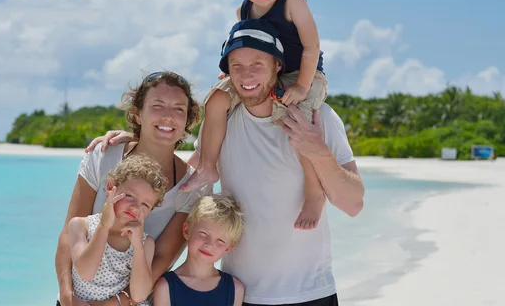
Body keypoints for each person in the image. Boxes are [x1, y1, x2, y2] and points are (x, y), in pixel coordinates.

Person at [92, 20, 365, 305]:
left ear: (278, 66)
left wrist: (318, 150)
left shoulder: (318, 118)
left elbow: (353, 204)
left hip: (311, 292)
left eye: (258, 63)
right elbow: (184, 171)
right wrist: (135, 139)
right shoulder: (222, 121)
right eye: (237, 65)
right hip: (240, 294)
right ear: (227, 71)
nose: (246, 74)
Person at [180, 0, 328, 231]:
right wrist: (231, 73)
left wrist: (300, 86)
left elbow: (312, 46)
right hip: (264, 72)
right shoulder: (243, 11)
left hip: (303, 73)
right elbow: (246, 45)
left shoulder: (293, 1)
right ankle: (207, 164)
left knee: (297, 122)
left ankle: (314, 193)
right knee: (217, 97)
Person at [55, 71, 208, 306]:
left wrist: (112, 304)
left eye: (179, 109)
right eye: (158, 106)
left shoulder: (192, 187)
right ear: (137, 114)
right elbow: (69, 233)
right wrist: (66, 296)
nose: (168, 117)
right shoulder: (103, 157)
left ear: (187, 120)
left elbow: (161, 260)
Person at [69, 155, 167, 305]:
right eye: (130, 196)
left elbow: (139, 295)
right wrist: (104, 227)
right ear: (110, 187)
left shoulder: (145, 243)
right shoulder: (81, 226)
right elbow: (86, 273)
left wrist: (137, 247)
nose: (135, 207)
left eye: (145, 205)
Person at [152, 194, 245, 306]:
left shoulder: (235, 289)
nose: (209, 244)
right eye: (203, 234)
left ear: (229, 248)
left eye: (220, 241)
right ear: (187, 230)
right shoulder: (165, 287)